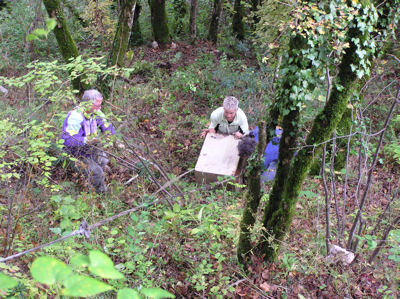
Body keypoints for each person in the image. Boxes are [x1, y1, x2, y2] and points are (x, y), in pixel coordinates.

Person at [61, 89, 115, 193]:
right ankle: (100, 196)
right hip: (75, 154)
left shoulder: (96, 113)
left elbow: (107, 126)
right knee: (97, 173)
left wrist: (112, 138)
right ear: (87, 104)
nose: (99, 108)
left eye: (100, 105)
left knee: (106, 165)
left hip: (91, 149)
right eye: (97, 106)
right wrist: (85, 140)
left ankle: (99, 185)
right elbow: (67, 140)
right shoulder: (75, 117)